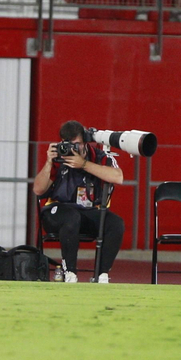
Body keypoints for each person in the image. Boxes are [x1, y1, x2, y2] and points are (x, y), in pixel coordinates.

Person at [32, 121, 126, 284]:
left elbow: (118, 177)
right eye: (69, 144)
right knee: (71, 217)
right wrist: (48, 162)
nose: (74, 149)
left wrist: (84, 165)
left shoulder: (98, 157)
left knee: (116, 223)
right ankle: (70, 272)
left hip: (88, 211)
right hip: (57, 212)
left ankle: (100, 274)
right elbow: (38, 190)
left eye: (77, 145)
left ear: (85, 143)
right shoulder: (58, 159)